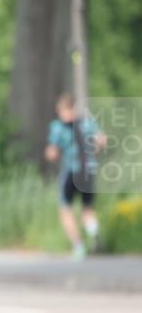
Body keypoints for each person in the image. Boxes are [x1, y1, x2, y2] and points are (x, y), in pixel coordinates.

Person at [45, 93, 106, 260]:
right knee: (88, 210)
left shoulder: (58, 127)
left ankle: (78, 246)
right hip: (88, 171)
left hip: (71, 171)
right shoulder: (87, 123)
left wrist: (53, 154)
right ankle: (93, 233)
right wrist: (96, 150)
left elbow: (52, 152)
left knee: (65, 210)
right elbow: (101, 141)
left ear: (65, 109)